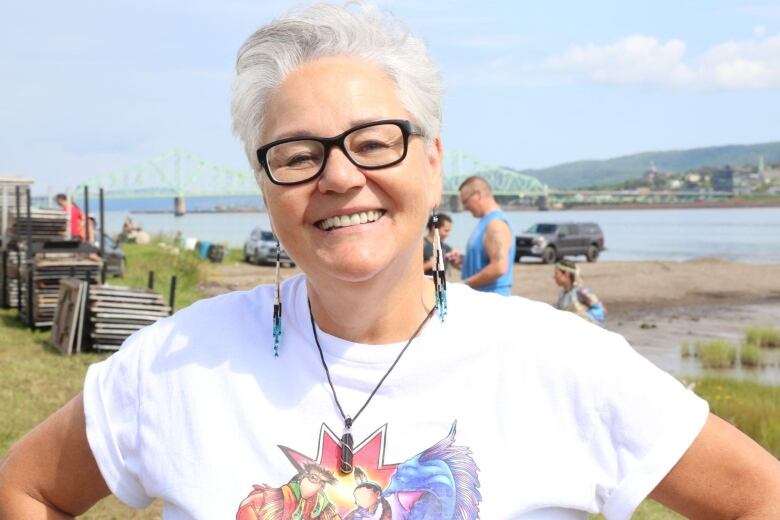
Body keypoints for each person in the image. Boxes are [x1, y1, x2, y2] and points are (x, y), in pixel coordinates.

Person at [2, 4, 779, 520]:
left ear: (433, 164)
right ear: (265, 188)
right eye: (297, 154)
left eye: (375, 143)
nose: (339, 177)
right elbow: (26, 487)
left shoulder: (561, 361)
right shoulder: (175, 363)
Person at [450, 176, 516, 295]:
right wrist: (464, 261)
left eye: (465, 201)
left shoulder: (496, 225)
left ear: (478, 195)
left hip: (492, 303)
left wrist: (464, 285)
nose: (464, 207)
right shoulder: (486, 222)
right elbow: (486, 263)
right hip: (481, 300)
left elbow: (499, 268)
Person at [553, 259, 606, 326]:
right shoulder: (563, 294)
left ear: (566, 274)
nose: (554, 277)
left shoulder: (581, 292)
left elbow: (601, 312)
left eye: (556, 273)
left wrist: (581, 318)